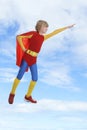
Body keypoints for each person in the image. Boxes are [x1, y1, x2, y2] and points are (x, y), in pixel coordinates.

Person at [8, 20, 75, 104]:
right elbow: (19, 37)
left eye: (47, 27)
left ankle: (28, 96)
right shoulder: (33, 34)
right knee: (19, 76)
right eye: (45, 27)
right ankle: (12, 93)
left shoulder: (43, 37)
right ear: (40, 27)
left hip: (34, 60)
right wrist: (23, 48)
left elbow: (55, 32)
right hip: (27, 57)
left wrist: (66, 27)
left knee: (35, 79)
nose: (47, 29)